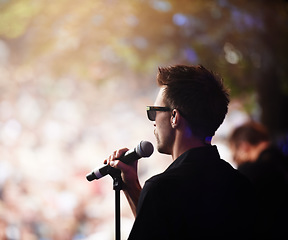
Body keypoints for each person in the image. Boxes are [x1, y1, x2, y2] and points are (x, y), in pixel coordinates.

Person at [104, 65, 257, 239]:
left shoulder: (163, 189)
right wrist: (131, 186)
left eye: (154, 112)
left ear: (174, 117)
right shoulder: (241, 185)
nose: (153, 122)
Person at [228, 121, 288, 239]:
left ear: (243, 147)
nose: (237, 161)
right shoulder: (281, 155)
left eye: (236, 156)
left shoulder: (252, 171)